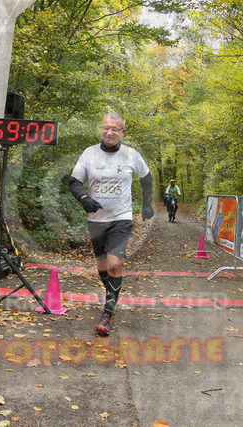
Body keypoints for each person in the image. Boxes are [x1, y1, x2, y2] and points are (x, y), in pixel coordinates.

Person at [69, 112, 154, 336]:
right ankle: (112, 294)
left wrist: (147, 204)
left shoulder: (131, 155)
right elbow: (74, 182)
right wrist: (83, 198)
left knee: (114, 265)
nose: (109, 132)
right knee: (103, 267)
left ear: (122, 132)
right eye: (106, 128)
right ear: (101, 129)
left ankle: (107, 312)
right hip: (96, 220)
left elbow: (147, 178)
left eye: (115, 129)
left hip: (121, 218)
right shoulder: (89, 153)